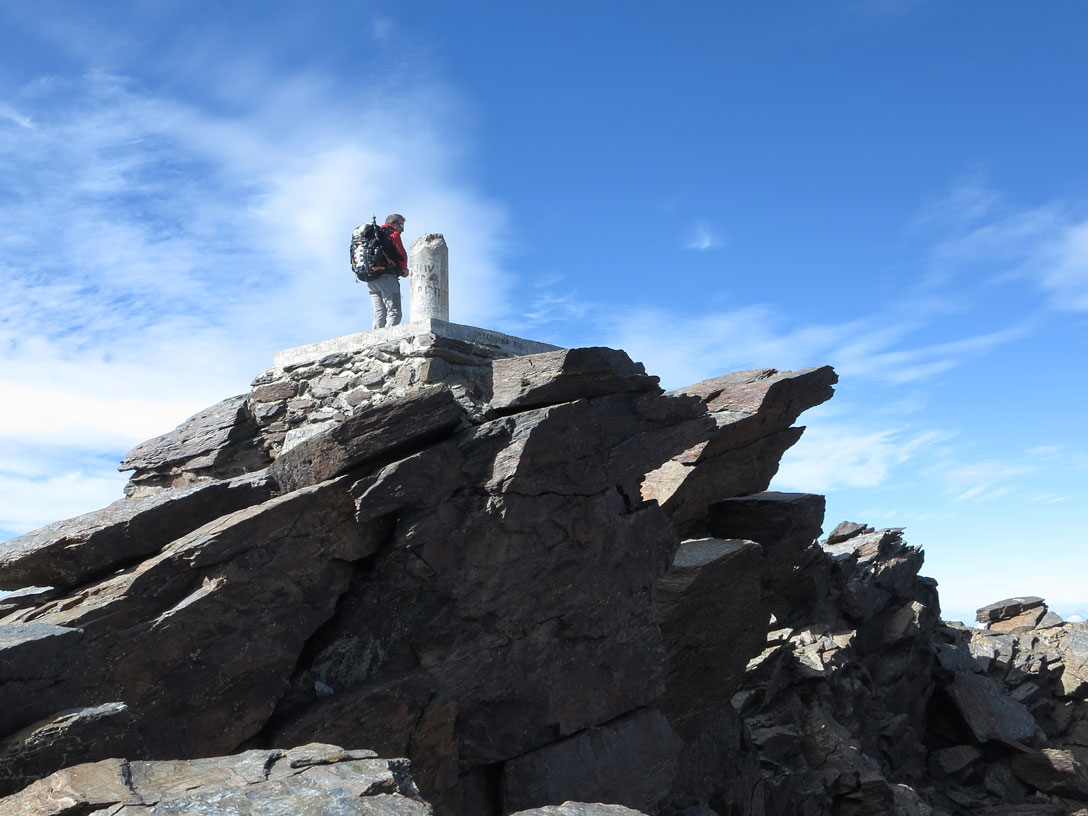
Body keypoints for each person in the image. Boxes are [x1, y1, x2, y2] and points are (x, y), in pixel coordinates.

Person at [368, 214, 409, 329]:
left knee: (379, 314)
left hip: (371, 279)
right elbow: (402, 256)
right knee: (394, 313)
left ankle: (375, 341)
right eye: (401, 225)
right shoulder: (393, 235)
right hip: (387, 277)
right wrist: (404, 270)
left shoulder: (374, 235)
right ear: (392, 224)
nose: (402, 229)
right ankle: (387, 339)